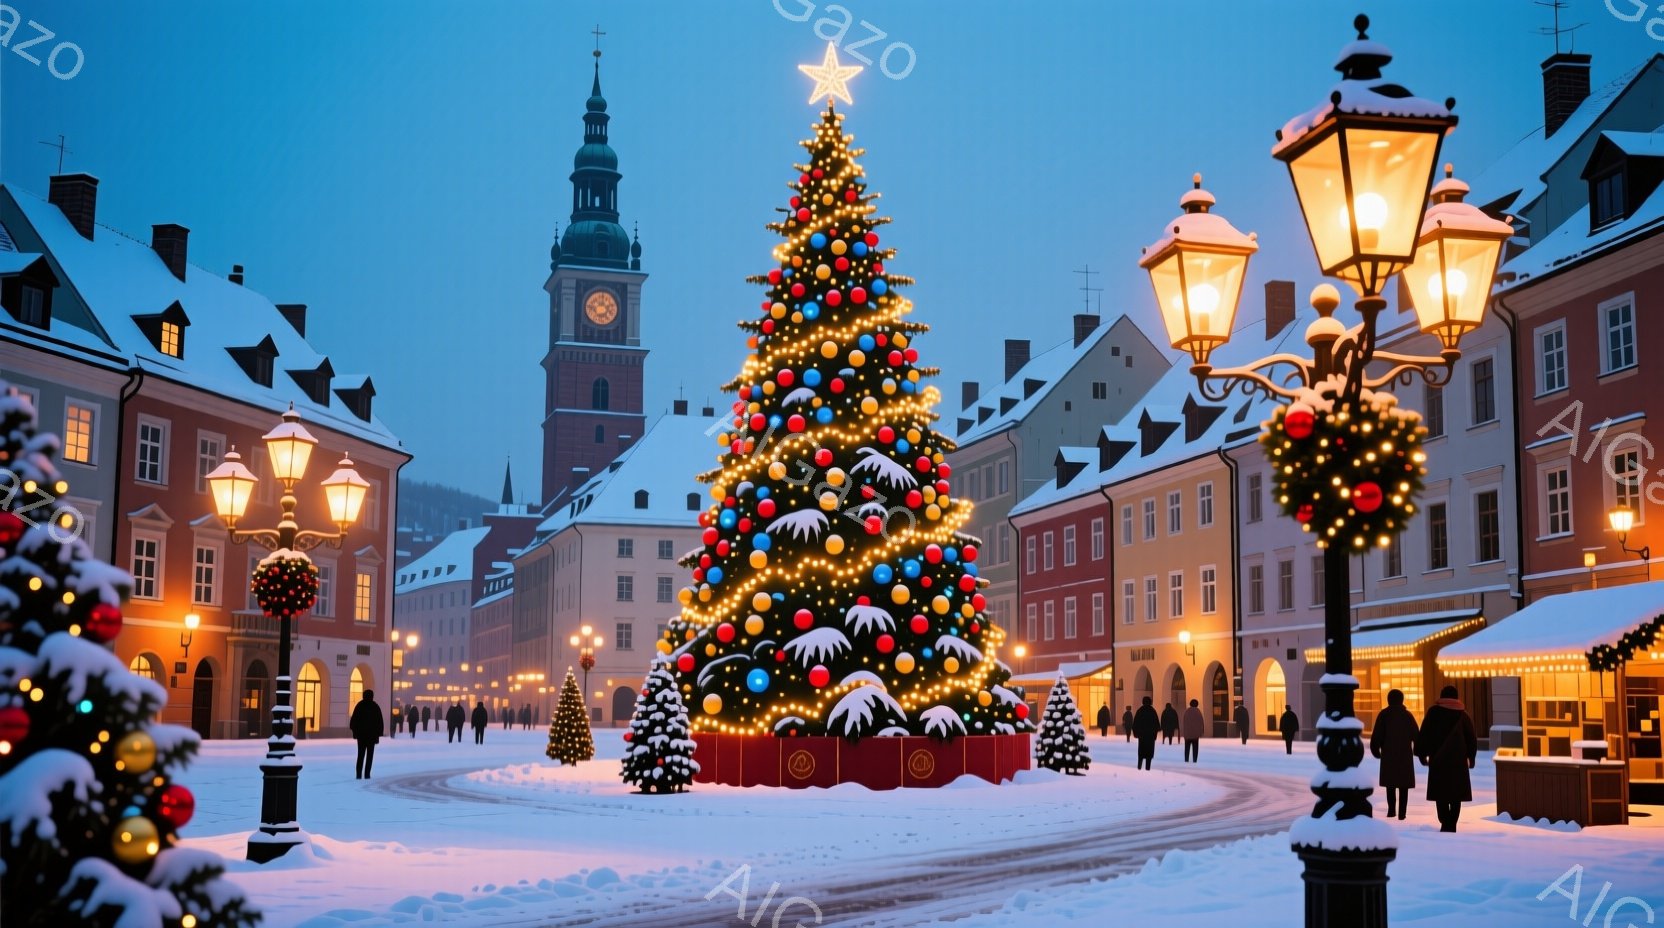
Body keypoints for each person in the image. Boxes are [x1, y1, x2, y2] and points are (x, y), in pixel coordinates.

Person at [1418, 685, 1477, 832]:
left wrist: (1421, 754)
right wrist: (1471, 757)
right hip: (1458, 762)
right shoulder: (1463, 715)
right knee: (1456, 795)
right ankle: (1452, 824)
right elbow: (1471, 738)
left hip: (1438, 761)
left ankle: (1445, 822)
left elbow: (1424, 734)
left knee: (1441, 793)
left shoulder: (1433, 713)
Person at [1370, 688, 1420, 821]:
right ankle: (1402, 813)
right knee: (1404, 786)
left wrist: (1376, 750)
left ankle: (1391, 810)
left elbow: (1377, 736)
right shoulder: (1408, 716)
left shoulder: (1384, 715)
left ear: (1389, 700)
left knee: (1390, 785)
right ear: (1401, 700)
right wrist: (1418, 752)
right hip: (1405, 756)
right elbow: (1416, 735)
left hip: (1388, 756)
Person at [349, 689, 384, 780]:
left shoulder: (359, 706)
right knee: (369, 756)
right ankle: (367, 774)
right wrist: (378, 735)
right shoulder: (375, 706)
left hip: (361, 737)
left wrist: (355, 733)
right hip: (371, 737)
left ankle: (358, 774)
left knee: (360, 755)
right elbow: (379, 722)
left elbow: (353, 722)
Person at [1132, 696, 1160, 770]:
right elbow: (1156, 725)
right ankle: (1148, 767)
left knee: (1141, 752)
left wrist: (1136, 733)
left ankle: (1139, 766)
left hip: (1142, 736)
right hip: (1150, 737)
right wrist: (1155, 734)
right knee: (1149, 754)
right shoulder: (1152, 711)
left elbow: (1135, 723)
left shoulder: (1140, 711)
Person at [1181, 699, 1205, 764]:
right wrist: (1201, 731)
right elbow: (1201, 722)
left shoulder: (1187, 711)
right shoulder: (1198, 712)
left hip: (1188, 734)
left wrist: (1184, 731)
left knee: (1187, 748)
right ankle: (1195, 760)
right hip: (1195, 734)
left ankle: (1186, 759)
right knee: (1195, 748)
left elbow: (1184, 722)